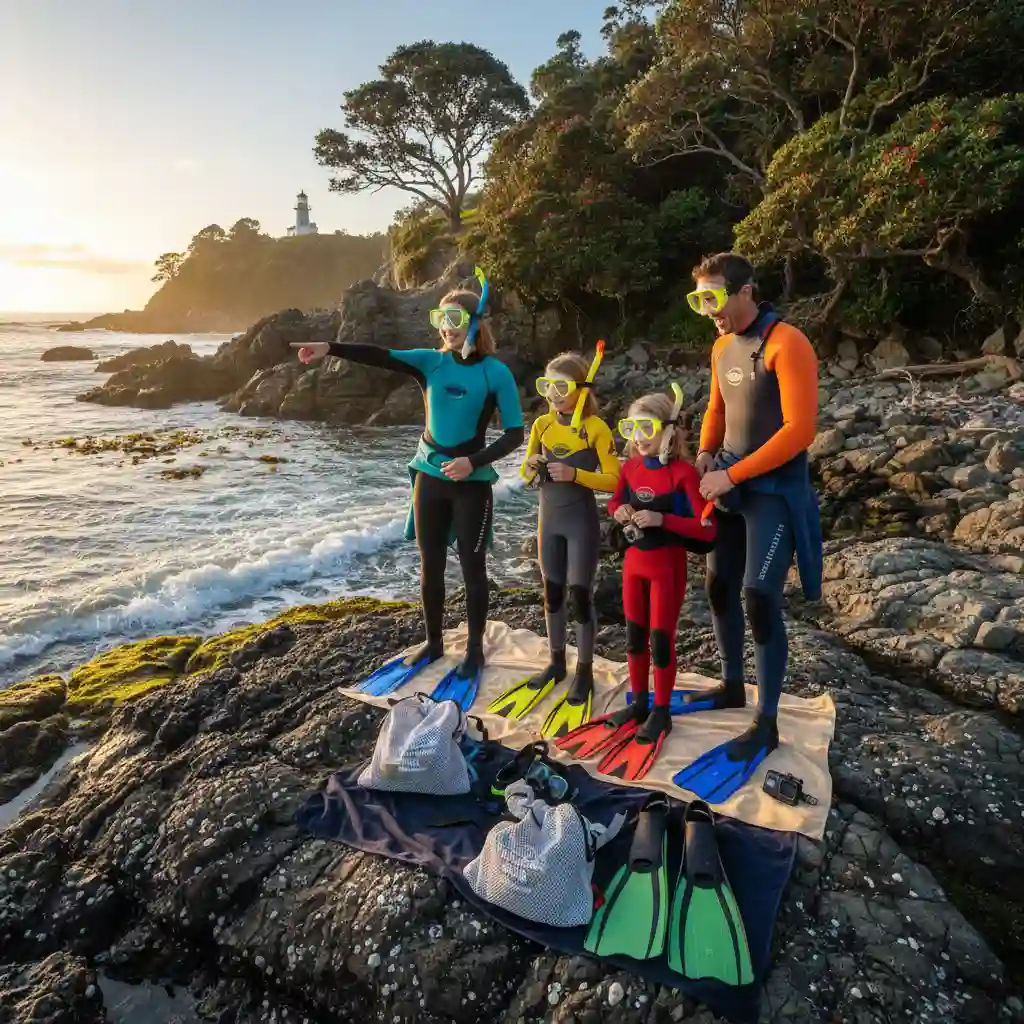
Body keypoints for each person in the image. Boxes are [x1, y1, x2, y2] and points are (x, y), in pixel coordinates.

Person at [291, 276, 524, 703]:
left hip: (470, 483)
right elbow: (381, 356)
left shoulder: (496, 373)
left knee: (473, 568)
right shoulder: (431, 362)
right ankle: (434, 642)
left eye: (453, 318)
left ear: (474, 323)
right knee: (429, 564)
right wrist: (329, 347)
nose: (445, 327)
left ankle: (474, 649)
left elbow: (515, 434)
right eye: (440, 318)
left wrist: (474, 462)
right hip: (429, 477)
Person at [672, 251, 822, 804]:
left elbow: (799, 430)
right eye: (699, 300)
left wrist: (732, 471)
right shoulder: (719, 347)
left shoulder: (788, 343)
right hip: (729, 489)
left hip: (774, 494)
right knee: (717, 586)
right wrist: (708, 455)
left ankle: (766, 719)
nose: (708, 311)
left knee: (759, 595)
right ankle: (732, 685)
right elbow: (716, 408)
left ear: (746, 291)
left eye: (714, 298)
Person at [555, 385, 716, 782]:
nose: (638, 437)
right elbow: (613, 503)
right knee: (633, 637)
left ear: (668, 430)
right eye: (631, 428)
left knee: (660, 640)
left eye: (646, 427)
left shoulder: (682, 474)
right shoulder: (630, 469)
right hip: (633, 566)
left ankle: (661, 711)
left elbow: (706, 530)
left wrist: (663, 520)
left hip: (667, 569)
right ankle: (640, 702)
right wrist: (620, 509)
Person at [486, 348, 620, 737]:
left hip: (579, 521)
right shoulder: (543, 424)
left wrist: (576, 473)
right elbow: (528, 470)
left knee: (580, 595)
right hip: (549, 521)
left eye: (561, 386)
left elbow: (614, 479)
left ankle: (584, 671)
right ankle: (557, 661)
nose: (553, 394)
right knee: (552, 593)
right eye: (547, 386)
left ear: (580, 389)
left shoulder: (595, 428)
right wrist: (530, 467)